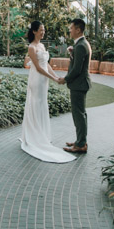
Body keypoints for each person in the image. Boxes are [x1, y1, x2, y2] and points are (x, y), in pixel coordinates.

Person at [20, 21, 76, 163]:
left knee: (42, 104)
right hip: (37, 80)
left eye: (44, 30)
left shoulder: (42, 45)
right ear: (34, 31)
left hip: (44, 80)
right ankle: (34, 136)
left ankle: (42, 135)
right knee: (36, 104)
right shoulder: (31, 48)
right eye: (40, 30)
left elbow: (47, 65)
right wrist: (54, 79)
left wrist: (56, 76)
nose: (43, 32)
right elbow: (38, 68)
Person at [58, 18, 92, 154]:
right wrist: (73, 52)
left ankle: (80, 144)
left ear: (78, 30)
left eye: (71, 28)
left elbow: (77, 69)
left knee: (78, 114)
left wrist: (65, 79)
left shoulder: (80, 46)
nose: (70, 30)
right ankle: (81, 140)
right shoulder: (82, 44)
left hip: (79, 85)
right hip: (81, 84)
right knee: (81, 114)